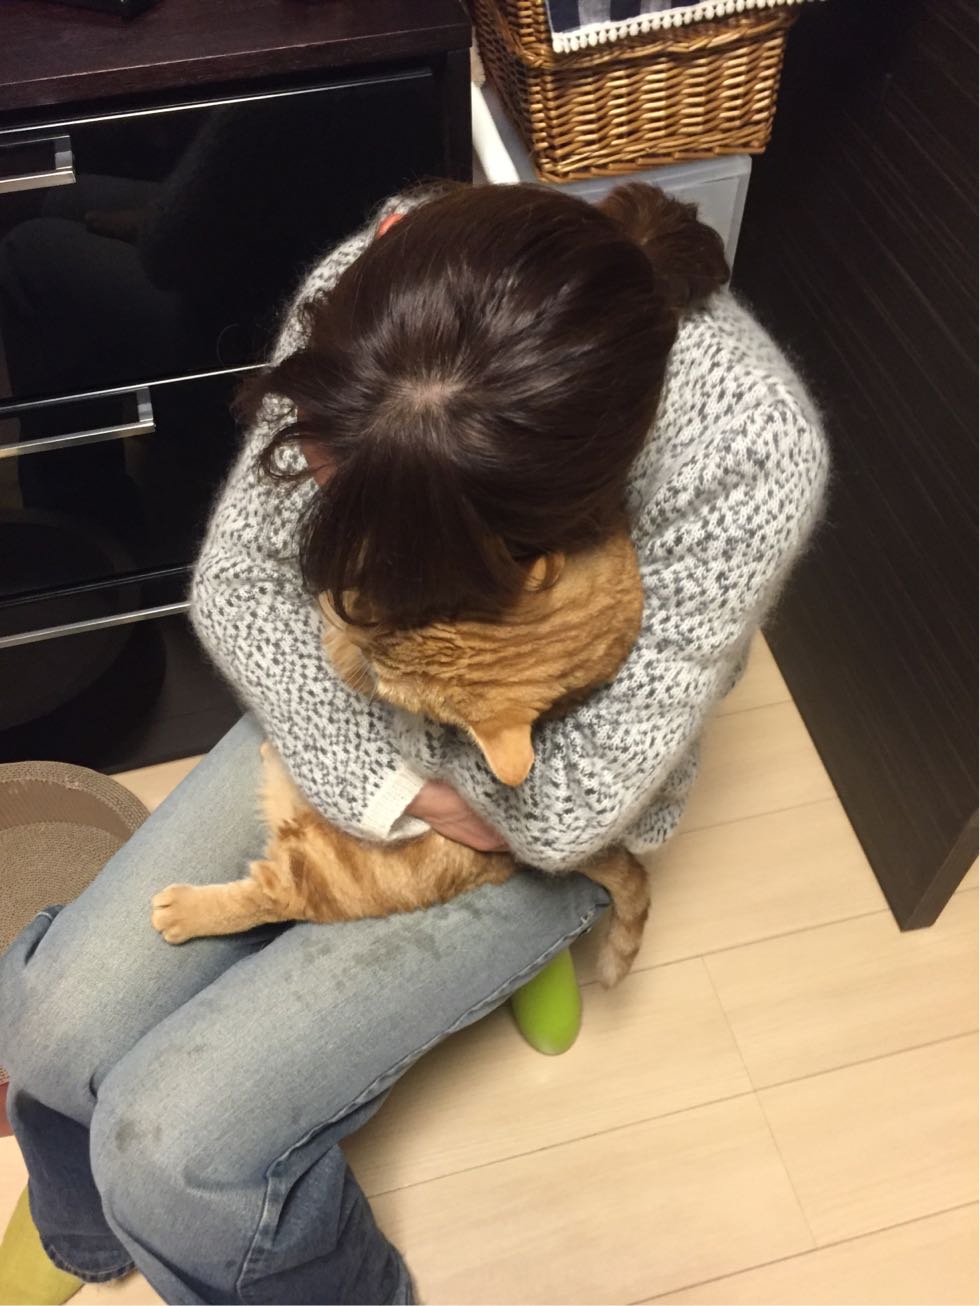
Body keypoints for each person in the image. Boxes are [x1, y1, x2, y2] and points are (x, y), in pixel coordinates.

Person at [0, 181, 829, 1305]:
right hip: (382, 727)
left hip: (532, 817)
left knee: (173, 1154)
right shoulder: (387, 291)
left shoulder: (748, 451)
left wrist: (387, 752)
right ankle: (81, 1229)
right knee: (46, 1028)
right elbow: (240, 585)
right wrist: (397, 786)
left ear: (538, 554)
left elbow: (572, 809)